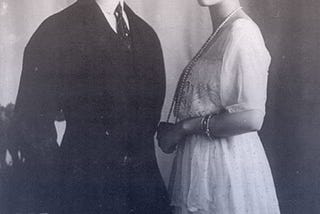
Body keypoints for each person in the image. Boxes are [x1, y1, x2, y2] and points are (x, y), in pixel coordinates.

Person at [11, 0, 171, 213]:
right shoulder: (56, 31)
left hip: (145, 193)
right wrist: (64, 185)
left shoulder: (146, 34)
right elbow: (31, 124)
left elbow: (150, 116)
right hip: (85, 193)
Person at [157, 0, 281, 213]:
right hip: (200, 167)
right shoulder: (222, 31)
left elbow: (252, 118)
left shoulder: (242, 32)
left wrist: (183, 128)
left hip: (225, 168)